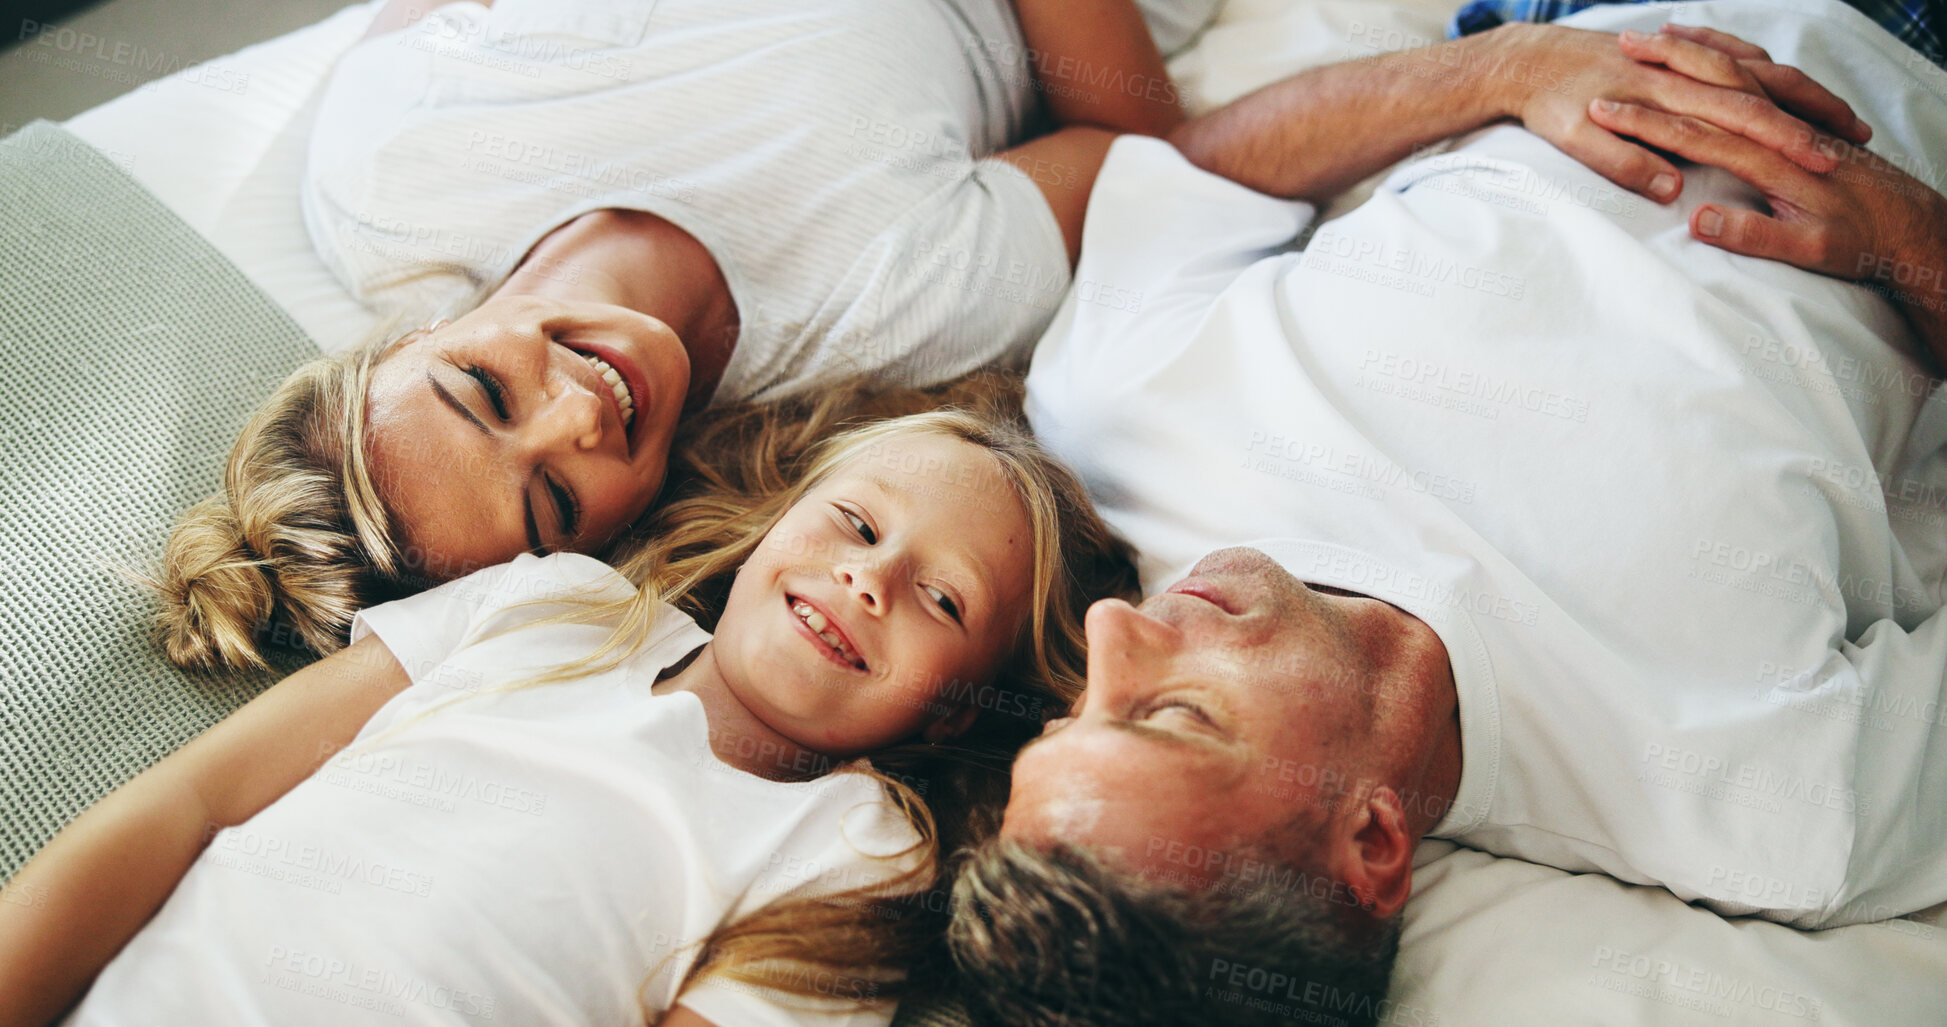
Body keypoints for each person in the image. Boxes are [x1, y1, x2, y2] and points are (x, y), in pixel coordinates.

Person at [945, 0, 1947, 1023]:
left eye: (1074, 711)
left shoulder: (1111, 438)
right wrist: (1922, 240)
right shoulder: (1773, 805)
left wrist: (1504, 68)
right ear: (1374, 841)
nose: (1113, 629)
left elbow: (1198, 171)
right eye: (1171, 713)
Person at [150, 0, 1204, 671]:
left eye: (482, 388)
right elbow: (1142, 143)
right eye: (557, 499)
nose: (578, 412)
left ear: (405, 340)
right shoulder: (882, 316)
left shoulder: (391, 175)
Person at [0, 408, 1138, 1026]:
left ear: (955, 712)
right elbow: (193, 798)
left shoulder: (857, 845)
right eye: (853, 522)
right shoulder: (552, 599)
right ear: (776, 520)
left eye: (944, 599)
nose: (869, 581)